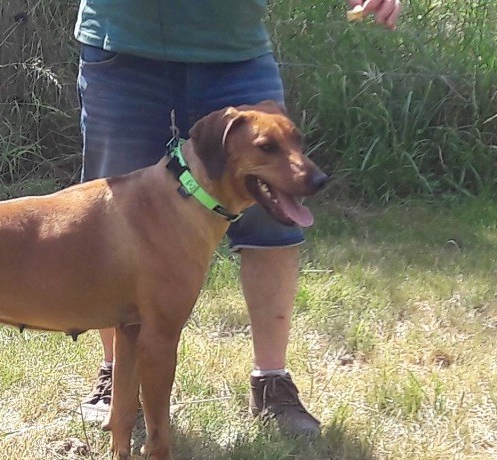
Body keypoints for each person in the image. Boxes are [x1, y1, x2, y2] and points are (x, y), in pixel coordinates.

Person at [75, 0, 401, 435]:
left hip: (235, 52)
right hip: (124, 47)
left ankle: (272, 384)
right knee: (116, 220)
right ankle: (119, 381)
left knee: (272, 215)